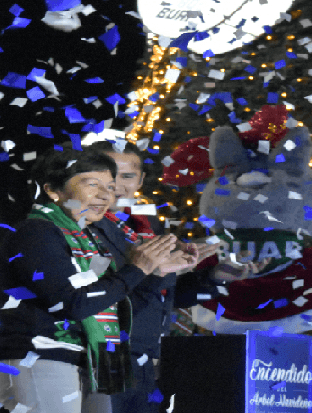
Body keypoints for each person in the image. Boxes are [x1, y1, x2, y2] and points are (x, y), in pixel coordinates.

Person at [0, 146, 181, 413]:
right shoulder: (36, 232)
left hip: (93, 363)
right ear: (53, 190)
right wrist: (137, 269)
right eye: (92, 184)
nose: (105, 195)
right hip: (41, 358)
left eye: (110, 186)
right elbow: (72, 304)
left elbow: (115, 307)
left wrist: (156, 273)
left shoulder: (92, 240)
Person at [86, 140, 228, 413]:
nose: (117, 184)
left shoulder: (147, 225)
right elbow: (98, 296)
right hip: (106, 354)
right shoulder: (83, 225)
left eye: (127, 176)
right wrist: (156, 269)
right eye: (109, 173)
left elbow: (163, 295)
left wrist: (213, 277)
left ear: (140, 180)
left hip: (150, 357)